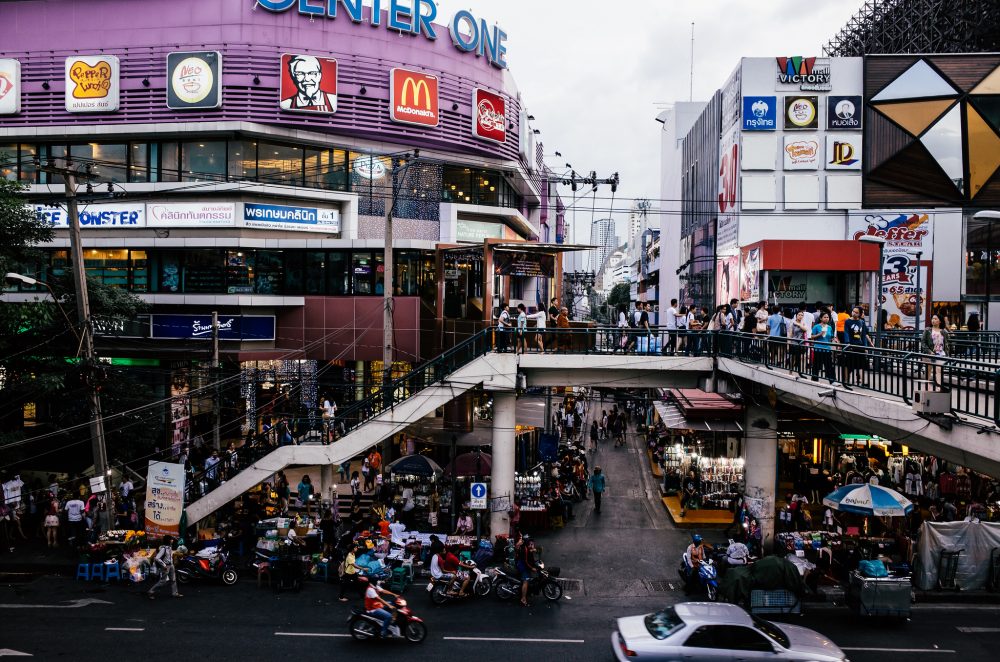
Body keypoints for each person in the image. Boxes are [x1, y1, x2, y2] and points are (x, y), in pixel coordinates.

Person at [842, 306, 873, 386]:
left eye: (856, 312)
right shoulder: (848, 321)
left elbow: (863, 335)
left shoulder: (861, 322)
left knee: (861, 364)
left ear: (860, 314)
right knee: (848, 364)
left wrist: (865, 346)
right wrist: (847, 342)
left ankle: (863, 381)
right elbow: (846, 332)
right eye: (853, 311)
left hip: (860, 345)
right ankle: (846, 380)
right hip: (850, 344)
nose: (854, 313)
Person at [921, 314, 951, 389]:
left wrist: (947, 354)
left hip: (941, 354)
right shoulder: (927, 330)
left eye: (935, 319)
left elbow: (947, 343)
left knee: (939, 370)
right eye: (932, 319)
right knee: (928, 370)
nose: (933, 320)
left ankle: (939, 387)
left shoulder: (944, 332)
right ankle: (926, 385)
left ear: (940, 321)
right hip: (930, 354)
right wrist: (929, 352)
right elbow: (923, 342)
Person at [810, 311, 839, 384]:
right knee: (816, 365)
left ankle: (832, 380)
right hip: (818, 349)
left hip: (827, 349)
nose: (826, 319)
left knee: (829, 365)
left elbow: (831, 337)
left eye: (828, 317)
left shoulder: (829, 327)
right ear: (820, 318)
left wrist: (834, 340)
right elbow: (811, 336)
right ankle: (814, 379)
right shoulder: (816, 326)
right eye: (825, 317)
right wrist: (819, 334)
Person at [516, 535, 539, 606]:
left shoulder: (527, 548)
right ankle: (523, 599)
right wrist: (532, 568)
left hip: (524, 564)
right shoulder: (525, 549)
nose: (531, 544)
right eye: (530, 542)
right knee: (526, 581)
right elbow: (526, 561)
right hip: (522, 566)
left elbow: (531, 557)